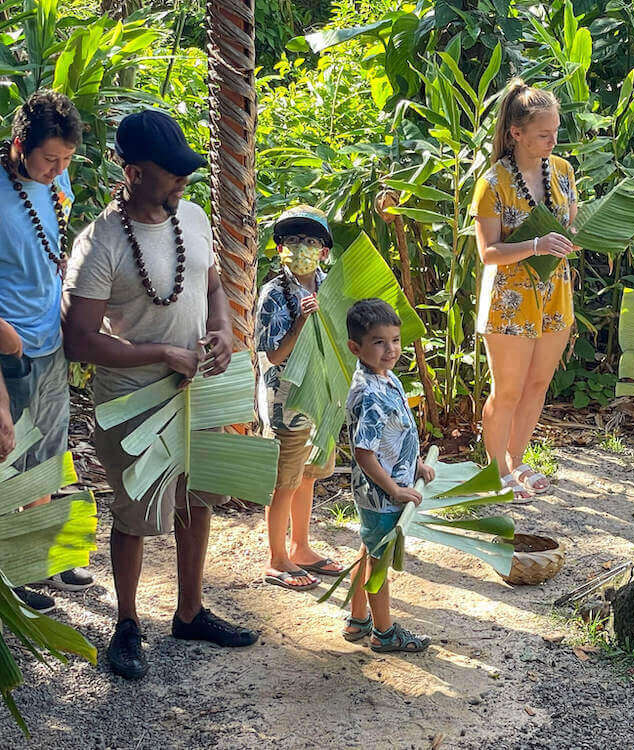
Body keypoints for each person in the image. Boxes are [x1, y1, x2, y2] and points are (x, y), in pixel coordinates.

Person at [63, 109, 257, 680]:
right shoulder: (100, 243)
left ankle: (190, 611)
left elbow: (213, 283)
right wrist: (161, 354)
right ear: (133, 172)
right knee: (136, 513)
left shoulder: (191, 217)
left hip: (199, 394)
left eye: (184, 173)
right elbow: (79, 341)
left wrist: (222, 331)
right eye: (171, 173)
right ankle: (126, 624)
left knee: (199, 500)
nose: (181, 182)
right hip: (134, 403)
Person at [0, 90, 93, 614]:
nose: (58, 170)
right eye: (49, 159)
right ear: (19, 146)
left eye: (66, 161)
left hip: (50, 340)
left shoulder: (54, 180)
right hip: (7, 351)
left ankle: (51, 554)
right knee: (7, 459)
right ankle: (14, 573)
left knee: (51, 453)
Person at [472, 79, 578, 499]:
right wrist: (534, 244)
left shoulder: (564, 171)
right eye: (543, 134)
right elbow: (488, 252)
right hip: (509, 298)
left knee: (538, 385)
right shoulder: (492, 183)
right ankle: (494, 470)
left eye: (555, 132)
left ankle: (518, 459)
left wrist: (572, 235)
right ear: (516, 133)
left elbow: (571, 223)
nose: (553, 140)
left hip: (555, 290)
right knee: (509, 389)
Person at [255, 205, 343, 591]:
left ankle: (301, 546)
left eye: (309, 241)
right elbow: (271, 355)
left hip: (322, 397)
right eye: (291, 240)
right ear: (279, 249)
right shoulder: (274, 293)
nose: (300, 248)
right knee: (284, 480)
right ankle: (277, 558)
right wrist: (302, 322)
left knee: (308, 475)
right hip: (285, 402)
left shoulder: (331, 285)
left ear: (324, 251)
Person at [341, 298, 434, 653]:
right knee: (378, 560)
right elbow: (364, 453)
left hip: (389, 486)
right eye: (379, 342)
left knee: (368, 551)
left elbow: (397, 433)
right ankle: (384, 632)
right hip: (380, 495)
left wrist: (416, 465)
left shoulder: (385, 376)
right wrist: (394, 488)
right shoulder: (368, 393)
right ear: (356, 347)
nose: (391, 349)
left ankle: (358, 618)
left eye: (394, 340)